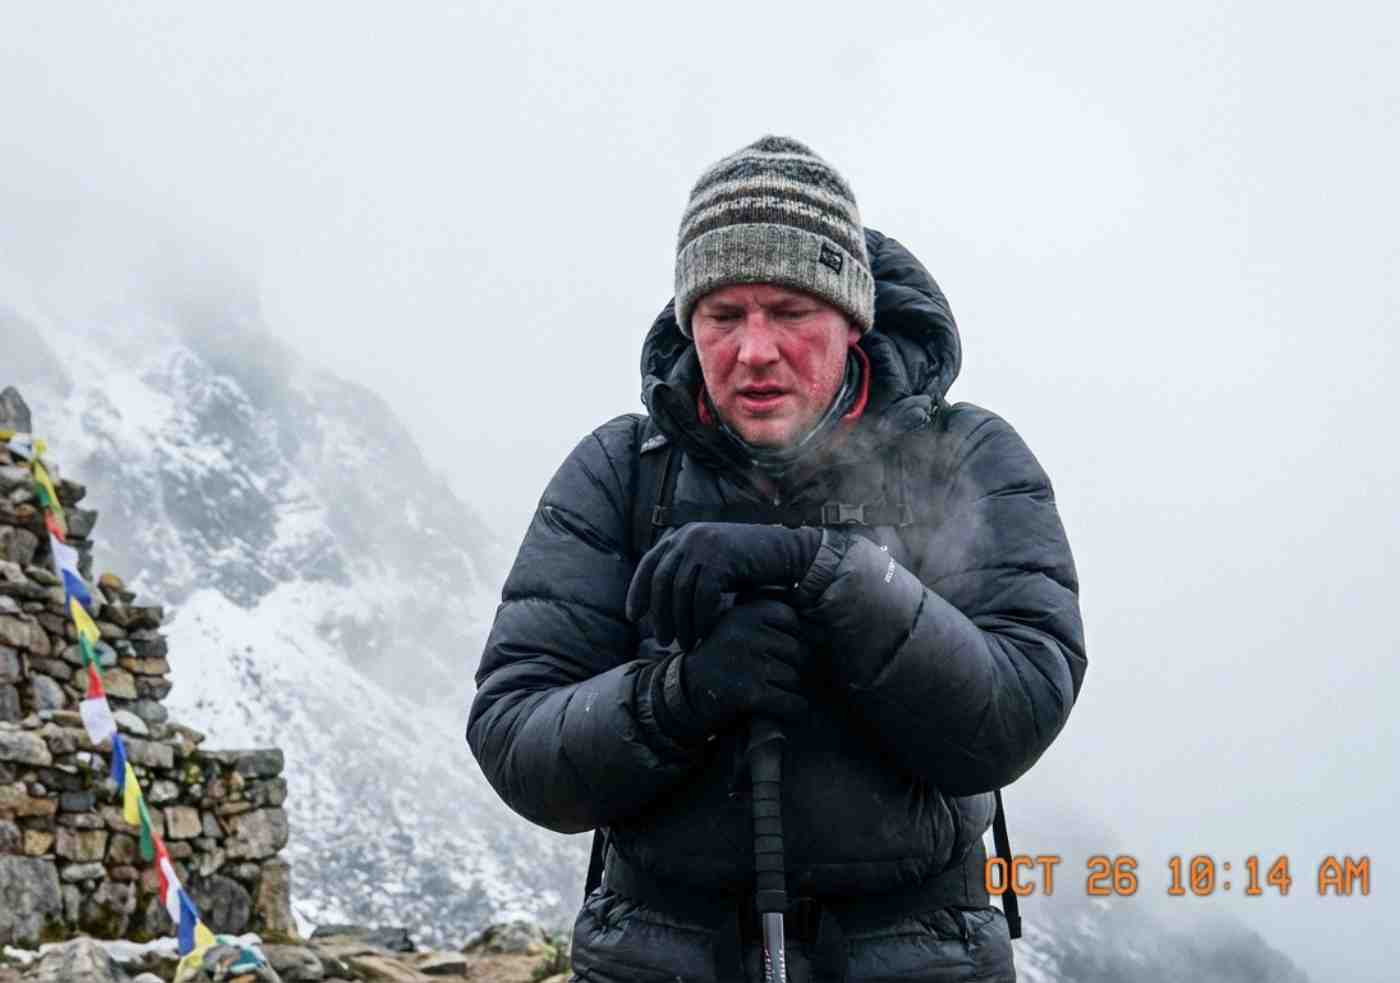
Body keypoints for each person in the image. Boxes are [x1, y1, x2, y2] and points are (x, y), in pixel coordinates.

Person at [468, 135, 1086, 983]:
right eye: (723, 315)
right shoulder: (621, 473)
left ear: (851, 315)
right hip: (661, 957)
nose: (754, 350)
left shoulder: (963, 456)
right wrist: (682, 695)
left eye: (790, 311)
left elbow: (1013, 709)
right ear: (691, 324)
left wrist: (822, 573)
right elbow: (517, 739)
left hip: (914, 957)